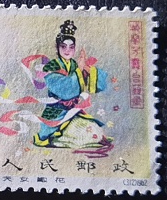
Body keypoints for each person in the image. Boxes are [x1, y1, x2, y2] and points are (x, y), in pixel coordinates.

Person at [32, 19, 112, 151]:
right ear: (57, 48)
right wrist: (80, 70)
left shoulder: (75, 65)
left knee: (92, 130)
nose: (67, 50)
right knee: (74, 136)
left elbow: (99, 84)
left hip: (73, 110)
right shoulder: (52, 66)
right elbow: (64, 90)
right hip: (56, 112)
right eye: (63, 46)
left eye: (71, 47)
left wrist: (86, 68)